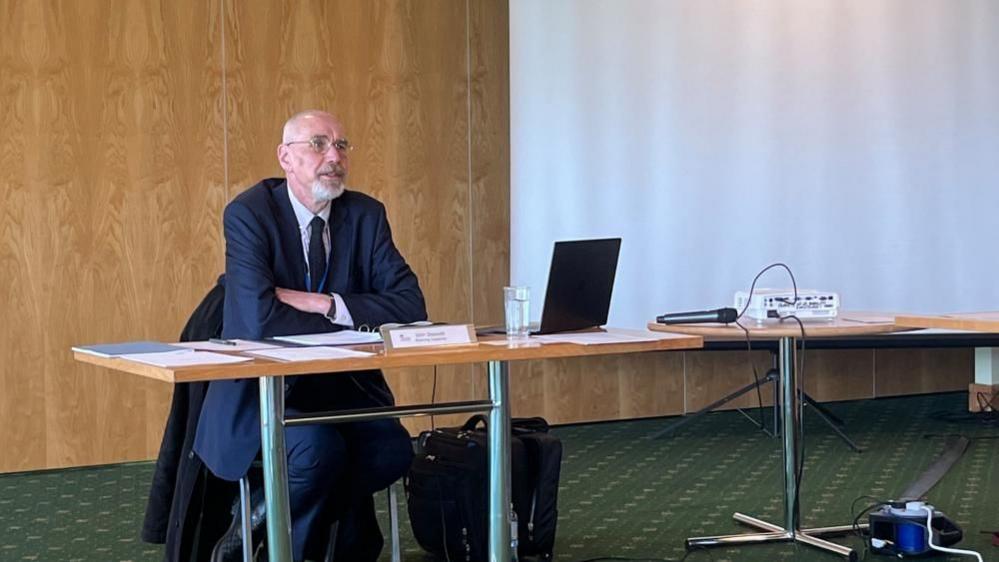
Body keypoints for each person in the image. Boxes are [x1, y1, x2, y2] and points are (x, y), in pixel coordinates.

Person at [194, 110, 427, 561]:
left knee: (392, 450)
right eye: (318, 144)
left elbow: (410, 304)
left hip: (343, 389)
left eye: (341, 146)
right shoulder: (249, 214)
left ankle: (259, 522)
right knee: (317, 451)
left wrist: (327, 303)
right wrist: (354, 317)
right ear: (285, 157)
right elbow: (260, 321)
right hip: (266, 395)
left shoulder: (365, 214)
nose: (333, 157)